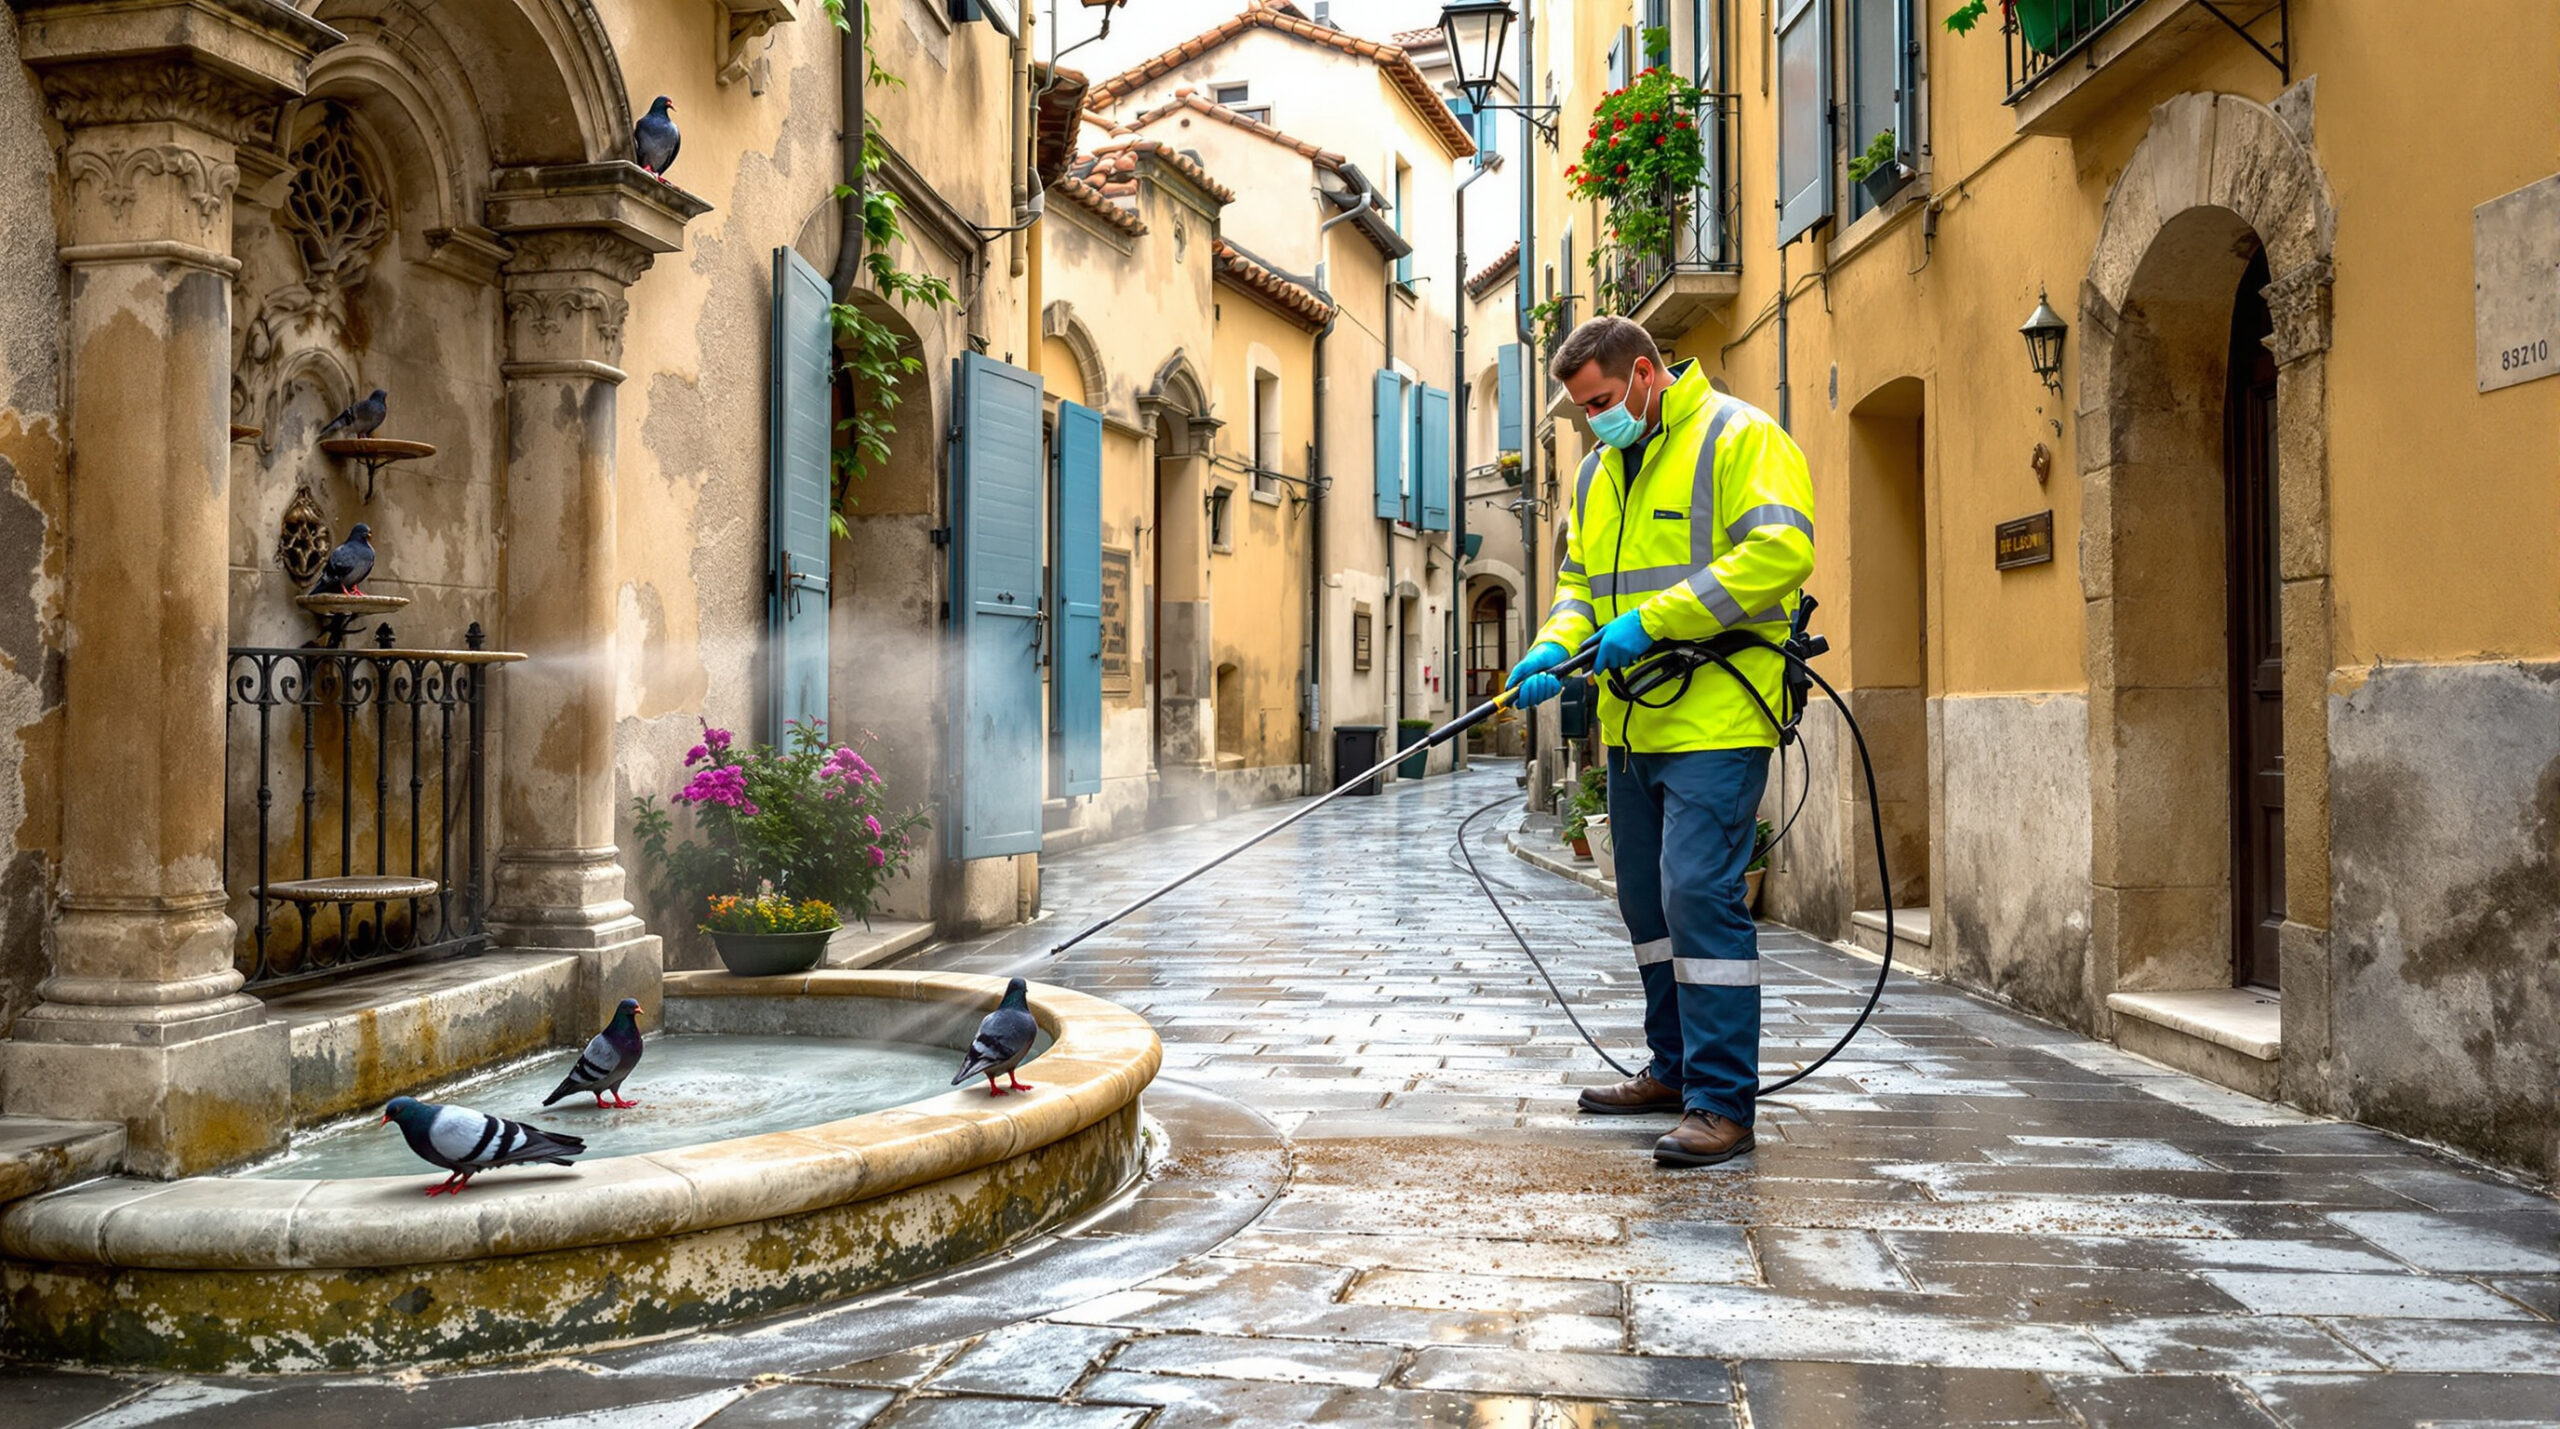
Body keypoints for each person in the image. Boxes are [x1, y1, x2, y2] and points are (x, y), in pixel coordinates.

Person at [1506, 316, 1814, 1168]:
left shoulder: (1740, 436)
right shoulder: (1600, 472)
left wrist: (1655, 618)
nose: (1593, 420)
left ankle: (1722, 1100)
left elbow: (1782, 551)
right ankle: (1674, 1070)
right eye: (1580, 410)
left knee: (1695, 897)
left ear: (1646, 375)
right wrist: (1551, 646)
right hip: (1631, 724)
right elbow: (1578, 584)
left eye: (1601, 401)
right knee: (1645, 904)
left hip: (1718, 717)